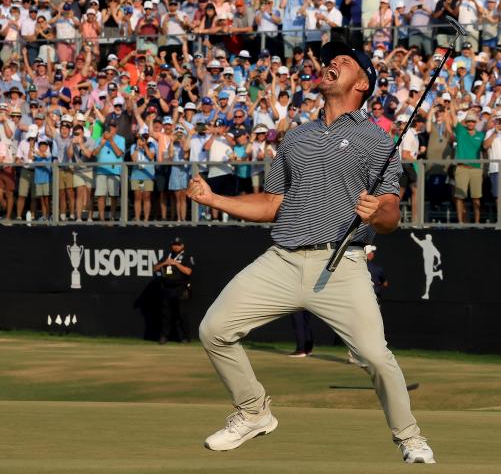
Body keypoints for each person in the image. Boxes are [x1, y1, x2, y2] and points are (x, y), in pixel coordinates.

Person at [187, 41, 435, 464]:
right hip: (282, 260)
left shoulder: (375, 139)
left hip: (341, 266)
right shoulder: (297, 137)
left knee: (376, 356)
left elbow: (391, 211)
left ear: (362, 83)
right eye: (330, 59)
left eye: (345, 61)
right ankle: (253, 412)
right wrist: (215, 201)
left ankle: (410, 438)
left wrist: (378, 212)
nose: (331, 63)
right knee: (214, 330)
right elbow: (272, 204)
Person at [153, 236, 194, 344]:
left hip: (181, 288)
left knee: (182, 314)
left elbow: (188, 271)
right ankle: (164, 337)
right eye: (174, 245)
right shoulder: (167, 255)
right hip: (167, 288)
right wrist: (164, 263)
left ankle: (185, 337)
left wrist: (176, 264)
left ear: (182, 246)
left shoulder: (186, 256)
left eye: (178, 245)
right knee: (166, 314)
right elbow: (155, 268)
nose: (175, 247)